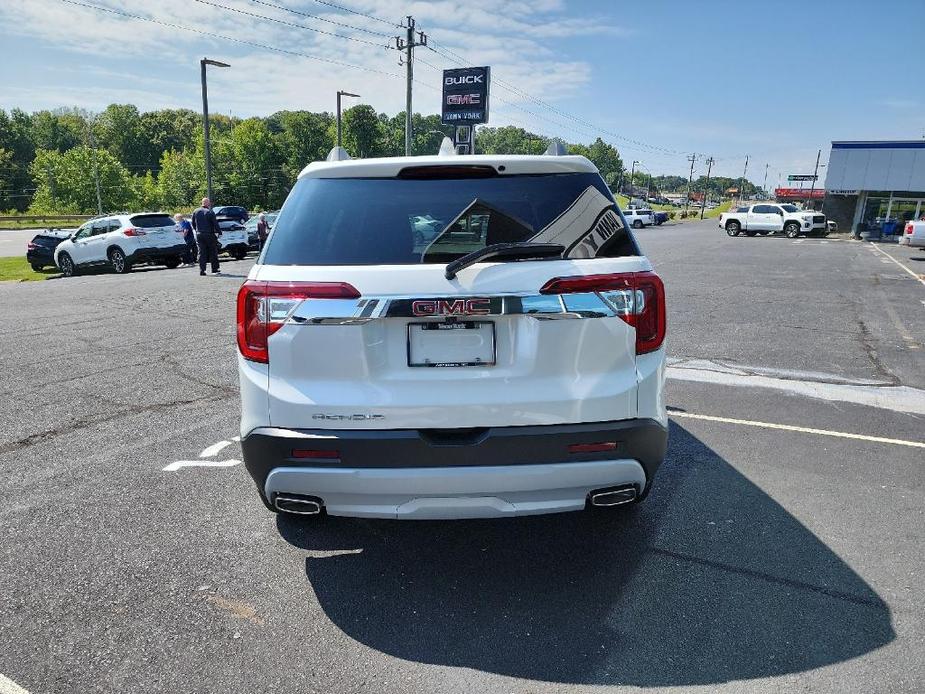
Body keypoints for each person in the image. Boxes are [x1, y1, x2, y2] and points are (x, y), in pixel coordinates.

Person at [191, 197, 221, 275]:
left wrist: (197, 230)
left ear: (202, 203)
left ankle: (202, 270)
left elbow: (193, 223)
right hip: (209, 234)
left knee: (201, 252)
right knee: (213, 252)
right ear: (208, 203)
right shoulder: (210, 212)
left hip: (199, 234)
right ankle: (215, 269)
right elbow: (215, 224)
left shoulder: (195, 211)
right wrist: (219, 232)